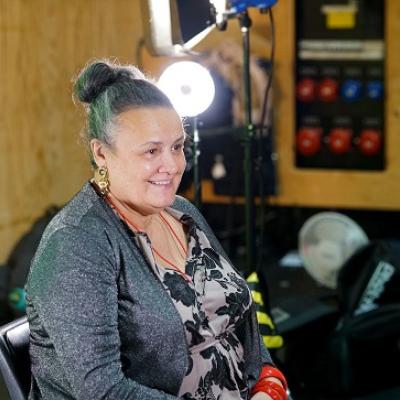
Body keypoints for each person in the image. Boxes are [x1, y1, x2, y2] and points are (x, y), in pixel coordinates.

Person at [25, 60, 288, 400]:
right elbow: (102, 391)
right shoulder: (76, 244)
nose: (173, 165)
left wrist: (269, 385)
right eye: (151, 151)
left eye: (177, 146)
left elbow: (242, 326)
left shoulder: (180, 211)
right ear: (101, 153)